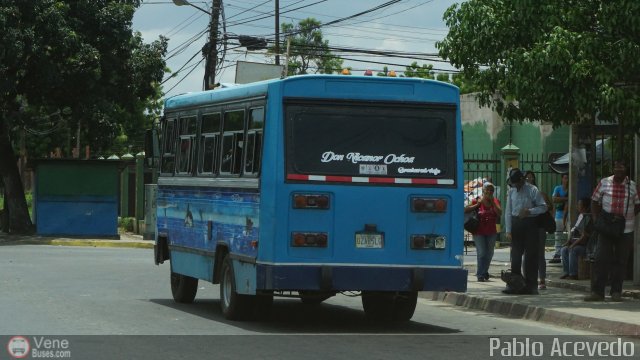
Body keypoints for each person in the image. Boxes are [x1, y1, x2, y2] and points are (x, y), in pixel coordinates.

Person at [584, 159, 640, 302]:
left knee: (621, 261)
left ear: (626, 170)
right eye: (617, 168)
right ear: (613, 169)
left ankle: (616, 292)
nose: (619, 171)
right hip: (606, 228)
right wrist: (597, 219)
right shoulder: (604, 182)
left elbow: (638, 205)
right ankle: (597, 292)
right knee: (601, 259)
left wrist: (628, 216)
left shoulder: (632, 186)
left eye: (622, 168)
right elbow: (594, 201)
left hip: (626, 229)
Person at [503, 168, 548, 295]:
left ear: (522, 180)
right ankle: (514, 284)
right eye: (513, 184)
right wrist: (508, 229)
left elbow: (543, 207)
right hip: (516, 223)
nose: (515, 186)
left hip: (530, 224)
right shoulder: (512, 192)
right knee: (516, 256)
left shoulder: (532, 190)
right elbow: (508, 211)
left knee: (531, 256)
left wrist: (530, 211)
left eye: (517, 183)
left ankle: (531, 285)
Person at [464, 182, 501, 282]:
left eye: (491, 190)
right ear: (483, 190)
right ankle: (480, 274)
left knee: (489, 253)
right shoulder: (477, 200)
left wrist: (493, 203)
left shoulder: (495, 201)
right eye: (487, 189)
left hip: (491, 231)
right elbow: (465, 210)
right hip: (478, 231)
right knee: (482, 252)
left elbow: (500, 213)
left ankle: (484, 271)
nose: (489, 192)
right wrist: (477, 205)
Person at [524, 171, 553, 290]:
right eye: (527, 178)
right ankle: (527, 278)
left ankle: (542, 279)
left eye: (532, 178)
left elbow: (549, 207)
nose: (530, 179)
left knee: (540, 253)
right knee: (527, 253)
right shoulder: (521, 195)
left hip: (540, 227)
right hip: (527, 226)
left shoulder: (540, 194)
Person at [560, 198, 592, 280]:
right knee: (564, 249)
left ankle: (573, 274)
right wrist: (568, 242)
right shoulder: (580, 216)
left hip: (585, 246)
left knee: (573, 250)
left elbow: (584, 236)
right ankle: (566, 272)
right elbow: (574, 231)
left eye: (579, 205)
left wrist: (573, 244)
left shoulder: (588, 218)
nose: (577, 206)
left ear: (584, 207)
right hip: (577, 242)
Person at [549, 174, 569, 263]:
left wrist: (561, 199)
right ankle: (557, 254)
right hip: (559, 215)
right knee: (558, 235)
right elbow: (554, 199)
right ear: (562, 179)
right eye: (565, 178)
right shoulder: (558, 188)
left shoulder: (571, 188)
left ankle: (566, 254)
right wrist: (566, 199)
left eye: (568, 178)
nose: (567, 180)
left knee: (568, 235)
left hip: (569, 215)